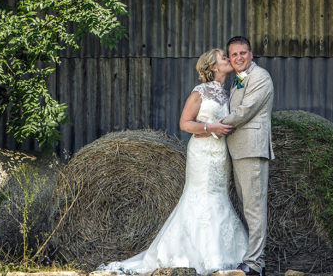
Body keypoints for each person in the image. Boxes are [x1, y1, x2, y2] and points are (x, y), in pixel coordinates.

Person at [97, 49, 248, 274]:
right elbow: (185, 123)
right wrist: (211, 127)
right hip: (202, 153)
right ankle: (207, 256)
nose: (228, 59)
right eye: (223, 58)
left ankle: (228, 254)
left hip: (220, 154)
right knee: (201, 196)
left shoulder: (228, 93)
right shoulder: (200, 92)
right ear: (213, 66)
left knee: (219, 196)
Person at [222, 36, 274, 276]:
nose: (239, 58)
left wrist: (215, 124)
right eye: (234, 54)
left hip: (252, 149)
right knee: (247, 206)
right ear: (230, 59)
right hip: (239, 150)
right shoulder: (239, 78)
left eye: (243, 53)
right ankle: (255, 262)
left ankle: (253, 264)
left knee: (254, 208)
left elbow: (244, 112)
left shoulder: (260, 77)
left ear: (251, 54)